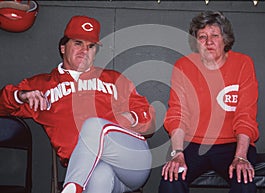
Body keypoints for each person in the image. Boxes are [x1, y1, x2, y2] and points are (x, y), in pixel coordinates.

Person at [0, 15, 155, 193]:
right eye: (78, 43)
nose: (84, 51)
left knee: (94, 125)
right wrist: (21, 95)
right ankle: (76, 185)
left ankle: (71, 188)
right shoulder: (42, 85)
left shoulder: (113, 79)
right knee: (99, 177)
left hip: (131, 160)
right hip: (92, 172)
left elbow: (149, 119)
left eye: (91, 46)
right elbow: (2, 106)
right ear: (63, 47)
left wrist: (133, 118)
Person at [159, 11, 259, 193]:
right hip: (192, 143)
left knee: (244, 180)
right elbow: (178, 114)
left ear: (225, 39)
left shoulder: (243, 63)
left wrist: (241, 157)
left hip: (232, 144)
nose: (209, 42)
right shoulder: (183, 66)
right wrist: (177, 153)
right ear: (196, 42)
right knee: (170, 179)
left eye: (215, 35)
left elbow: (246, 115)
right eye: (202, 37)